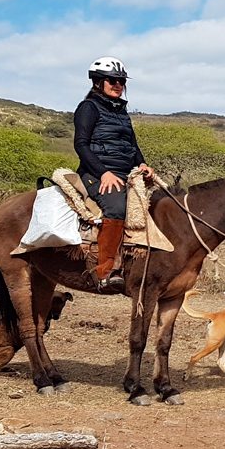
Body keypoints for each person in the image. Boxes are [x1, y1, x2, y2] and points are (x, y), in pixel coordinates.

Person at [74, 56, 155, 293]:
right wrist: (104, 173)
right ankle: (106, 272)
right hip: (94, 173)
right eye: (112, 80)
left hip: (125, 173)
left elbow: (132, 146)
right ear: (98, 82)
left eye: (121, 80)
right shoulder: (88, 108)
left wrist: (142, 164)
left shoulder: (121, 112)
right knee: (117, 207)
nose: (118, 84)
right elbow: (81, 145)